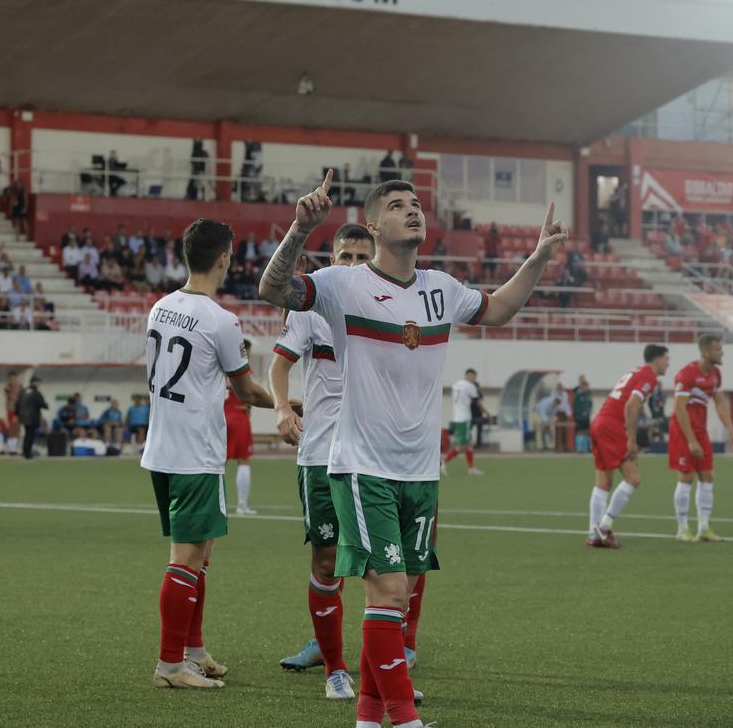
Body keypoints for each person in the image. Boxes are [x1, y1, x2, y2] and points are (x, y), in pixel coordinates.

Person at [259, 172, 566, 728]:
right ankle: (403, 718)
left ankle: (370, 715)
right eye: (398, 205)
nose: (413, 211)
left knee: (399, 599)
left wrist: (539, 257)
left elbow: (497, 310)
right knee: (389, 587)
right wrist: (301, 229)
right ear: (374, 224)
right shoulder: (340, 284)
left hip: (421, 471)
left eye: (417, 203)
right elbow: (273, 290)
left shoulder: (441, 289)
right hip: (361, 465)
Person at [140, 218, 274, 689]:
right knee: (186, 557)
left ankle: (193, 651)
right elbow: (247, 392)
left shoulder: (160, 307)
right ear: (225, 258)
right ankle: (170, 665)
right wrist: (288, 403)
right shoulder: (221, 320)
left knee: (202, 552)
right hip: (194, 452)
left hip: (162, 446)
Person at [271, 224, 375, 698]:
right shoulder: (311, 305)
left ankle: (386, 667)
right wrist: (280, 407)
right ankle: (334, 665)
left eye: (361, 256)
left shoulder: (390, 307)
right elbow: (279, 365)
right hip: (322, 453)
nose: (352, 264)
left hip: (375, 451)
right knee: (327, 558)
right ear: (332, 258)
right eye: (345, 255)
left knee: (383, 567)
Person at [587, 344, 670, 548]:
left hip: (599, 422)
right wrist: (631, 440)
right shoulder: (649, 377)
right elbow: (631, 405)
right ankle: (604, 528)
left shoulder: (635, 372)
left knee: (603, 482)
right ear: (657, 359)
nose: (668, 363)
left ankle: (594, 533)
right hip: (612, 425)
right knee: (633, 478)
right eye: (666, 359)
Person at [669, 334, 733, 542]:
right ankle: (682, 529)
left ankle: (704, 528)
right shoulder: (687, 375)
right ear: (706, 352)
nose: (722, 352)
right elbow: (679, 410)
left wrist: (730, 428)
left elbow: (719, 402)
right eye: (718, 349)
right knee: (686, 477)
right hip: (683, 430)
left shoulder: (715, 374)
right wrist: (691, 440)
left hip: (700, 430)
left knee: (707, 477)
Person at [224, 338, 256, 515]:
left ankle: (215, 503)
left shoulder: (222, 366)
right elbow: (249, 393)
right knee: (243, 460)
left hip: (222, 415)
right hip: (238, 414)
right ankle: (242, 505)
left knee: (219, 462)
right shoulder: (243, 368)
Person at [441, 369, 486, 475]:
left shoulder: (456, 384)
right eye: (474, 377)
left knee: (469, 444)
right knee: (463, 445)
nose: (474, 379)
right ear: (470, 376)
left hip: (458, 417)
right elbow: (476, 402)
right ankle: (443, 462)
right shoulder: (470, 386)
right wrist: (486, 413)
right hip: (464, 418)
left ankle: (471, 468)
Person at [16, 376, 48, 459]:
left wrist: (17, 415)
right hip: (32, 417)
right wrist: (46, 406)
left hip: (23, 417)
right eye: (37, 382)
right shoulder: (35, 392)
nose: (38, 384)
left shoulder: (23, 391)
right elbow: (42, 404)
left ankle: (25, 451)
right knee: (30, 435)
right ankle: (27, 453)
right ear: (33, 382)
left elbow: (17, 404)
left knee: (27, 434)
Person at [4, 372, 23, 457]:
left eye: (14, 378)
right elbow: (10, 399)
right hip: (10, 412)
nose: (12, 380)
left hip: (18, 412)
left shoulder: (20, 388)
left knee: (17, 430)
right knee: (11, 430)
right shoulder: (8, 388)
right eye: (10, 379)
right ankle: (11, 449)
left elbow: (19, 400)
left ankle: (16, 448)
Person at [572, 376, 593, 454]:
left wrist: (589, 412)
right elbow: (575, 407)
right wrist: (576, 417)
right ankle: (579, 448)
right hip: (580, 418)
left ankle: (586, 448)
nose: (586, 388)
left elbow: (590, 405)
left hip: (586, 418)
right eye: (584, 386)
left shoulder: (588, 396)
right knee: (580, 432)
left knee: (587, 432)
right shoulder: (578, 396)